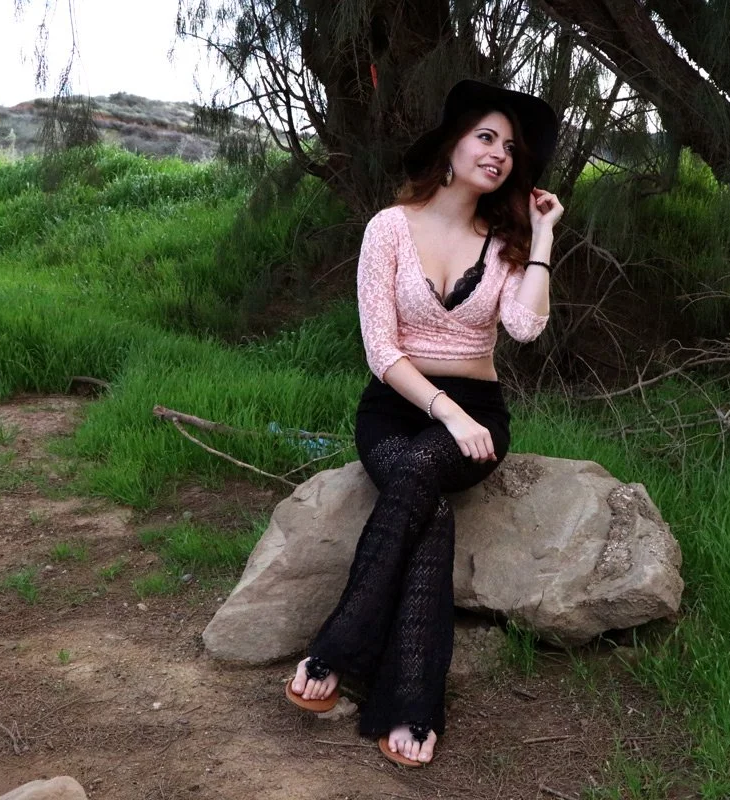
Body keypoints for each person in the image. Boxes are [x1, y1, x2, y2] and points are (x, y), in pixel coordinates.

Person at [284, 79, 563, 768]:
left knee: (419, 484)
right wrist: (444, 411)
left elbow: (525, 328)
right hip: (396, 408)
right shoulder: (389, 228)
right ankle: (410, 702)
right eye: (486, 137)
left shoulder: (504, 244)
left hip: (480, 411)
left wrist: (545, 235)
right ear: (454, 144)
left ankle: (337, 648)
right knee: (427, 506)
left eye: (510, 148)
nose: (498, 154)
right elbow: (382, 351)